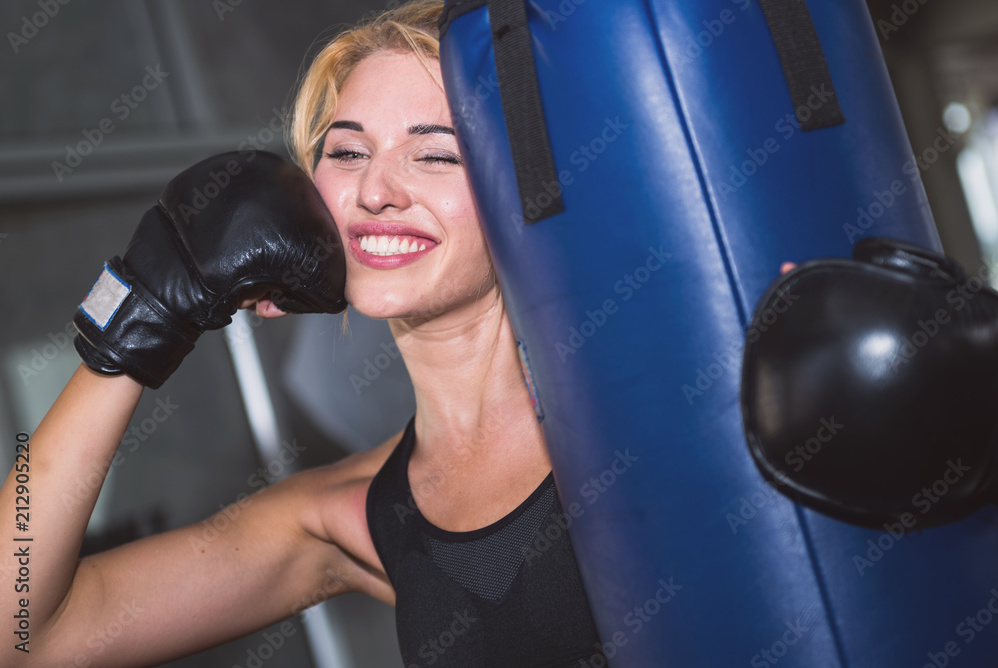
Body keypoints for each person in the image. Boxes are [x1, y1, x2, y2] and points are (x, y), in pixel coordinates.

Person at [0, 1, 605, 666]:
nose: (375, 189)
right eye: (347, 150)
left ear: (519, 184)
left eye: (434, 153)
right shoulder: (352, 516)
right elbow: (24, 631)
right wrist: (144, 313)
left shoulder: (633, 416)